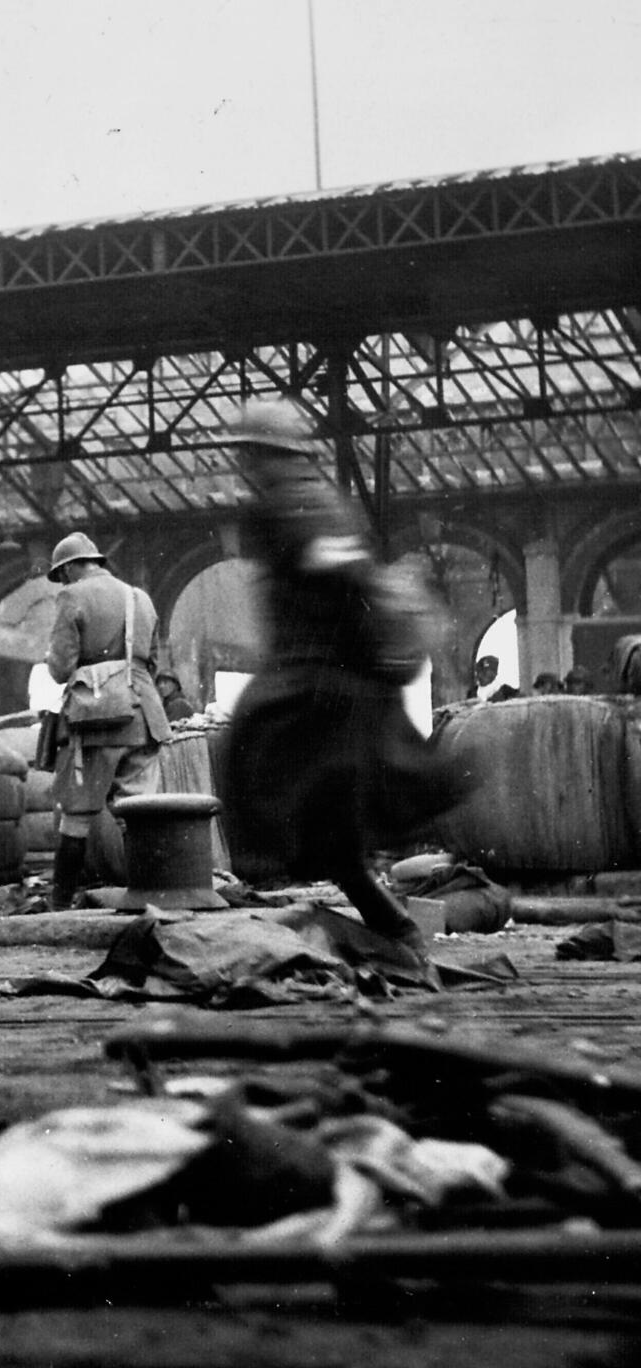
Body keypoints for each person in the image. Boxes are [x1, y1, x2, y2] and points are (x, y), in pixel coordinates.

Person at [220, 397, 476, 977]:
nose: (245, 464)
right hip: (330, 680)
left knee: (289, 785)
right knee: (328, 823)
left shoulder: (296, 503)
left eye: (251, 453)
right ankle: (399, 929)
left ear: (269, 455)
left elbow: (343, 576)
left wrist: (339, 660)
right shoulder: (310, 499)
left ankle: (402, 930)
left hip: (323, 687)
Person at [44, 532, 171, 909]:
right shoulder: (140, 598)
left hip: (93, 723)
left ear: (70, 568)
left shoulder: (72, 596)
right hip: (142, 717)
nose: (63, 582)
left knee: (76, 819)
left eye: (61, 575)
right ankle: (151, 898)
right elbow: (153, 661)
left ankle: (59, 906)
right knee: (141, 814)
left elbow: (60, 667)